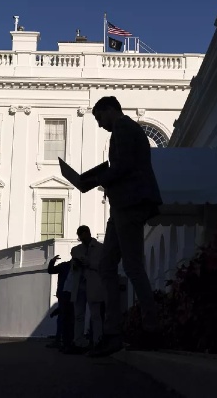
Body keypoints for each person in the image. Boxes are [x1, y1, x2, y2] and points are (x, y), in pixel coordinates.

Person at [87, 96, 163, 357]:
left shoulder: (123, 127)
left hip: (130, 204)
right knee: (107, 266)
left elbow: (125, 165)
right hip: (122, 205)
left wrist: (98, 178)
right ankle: (113, 332)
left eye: (99, 118)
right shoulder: (126, 129)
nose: (99, 125)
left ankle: (151, 329)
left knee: (132, 266)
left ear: (109, 110)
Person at [62, 225, 104, 354]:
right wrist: (76, 264)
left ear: (88, 233)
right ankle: (78, 341)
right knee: (78, 315)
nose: (81, 238)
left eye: (82, 234)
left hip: (93, 284)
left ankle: (97, 341)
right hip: (79, 285)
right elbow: (74, 264)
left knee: (95, 315)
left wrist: (89, 263)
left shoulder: (100, 248)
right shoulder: (76, 250)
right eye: (79, 235)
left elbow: (102, 266)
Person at [46, 254, 73, 350]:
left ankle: (63, 340)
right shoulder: (64, 266)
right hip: (65, 295)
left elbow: (51, 270)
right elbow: (51, 271)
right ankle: (61, 340)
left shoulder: (66, 266)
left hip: (69, 295)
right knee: (64, 318)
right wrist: (52, 261)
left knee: (66, 318)